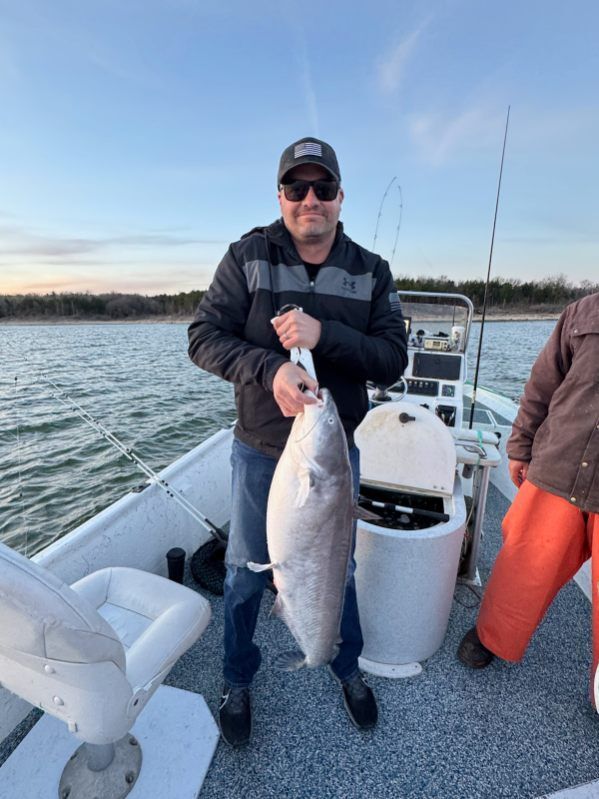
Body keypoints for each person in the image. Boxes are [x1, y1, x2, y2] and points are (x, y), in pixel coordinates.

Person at [188, 136, 408, 746]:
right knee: (245, 574)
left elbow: (391, 358)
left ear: (341, 197)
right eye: (296, 188)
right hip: (262, 450)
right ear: (281, 196)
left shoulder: (372, 271)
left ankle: (345, 666)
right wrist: (272, 369)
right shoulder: (249, 256)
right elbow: (202, 337)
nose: (310, 199)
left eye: (323, 188)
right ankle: (237, 678)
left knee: (340, 570)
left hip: (332, 456)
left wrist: (324, 332)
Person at [458, 292, 599, 695]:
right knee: (522, 565)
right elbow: (542, 384)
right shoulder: (582, 311)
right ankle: (492, 636)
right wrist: (521, 446)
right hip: (560, 465)